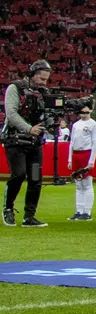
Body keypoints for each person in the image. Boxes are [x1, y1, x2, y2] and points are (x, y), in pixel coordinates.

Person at [3, 58, 54, 227]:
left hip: (34, 142)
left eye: (46, 80)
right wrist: (28, 128)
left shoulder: (44, 93)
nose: (44, 83)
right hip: (15, 139)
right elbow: (11, 113)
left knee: (35, 178)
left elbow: (48, 114)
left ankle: (29, 216)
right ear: (32, 75)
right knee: (18, 175)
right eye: (41, 79)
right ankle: (8, 208)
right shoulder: (15, 88)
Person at [67, 102, 96, 222]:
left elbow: (95, 142)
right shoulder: (75, 125)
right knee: (78, 185)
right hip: (76, 154)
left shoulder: (93, 125)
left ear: (90, 110)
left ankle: (87, 211)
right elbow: (71, 142)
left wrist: (92, 160)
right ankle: (79, 211)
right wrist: (70, 159)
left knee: (87, 184)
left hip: (86, 153)